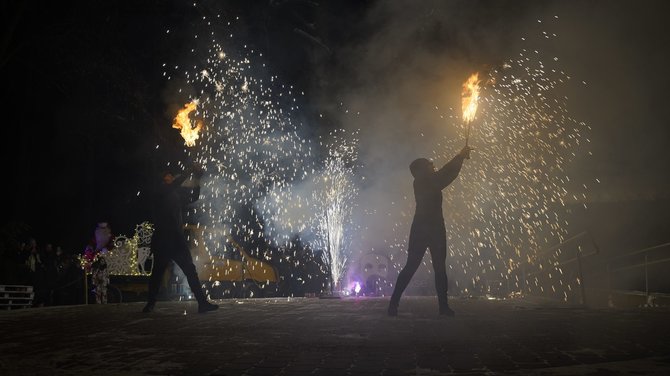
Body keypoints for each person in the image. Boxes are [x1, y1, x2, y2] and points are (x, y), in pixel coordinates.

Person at [388, 145, 472, 317]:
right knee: (415, 267)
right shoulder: (422, 182)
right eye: (428, 165)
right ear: (419, 171)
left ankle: (440, 307)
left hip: (427, 227)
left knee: (436, 268)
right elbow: (444, 176)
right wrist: (459, 156)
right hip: (427, 228)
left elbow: (446, 175)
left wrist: (460, 158)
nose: (432, 166)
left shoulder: (426, 180)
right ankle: (396, 303)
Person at [142, 165, 219, 313]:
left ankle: (202, 303)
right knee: (157, 274)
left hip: (177, 240)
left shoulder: (174, 194)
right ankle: (150, 304)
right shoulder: (159, 192)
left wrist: (197, 179)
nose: (170, 179)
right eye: (167, 178)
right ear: (162, 181)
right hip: (163, 240)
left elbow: (193, 197)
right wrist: (189, 171)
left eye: (171, 177)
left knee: (190, 271)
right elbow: (174, 185)